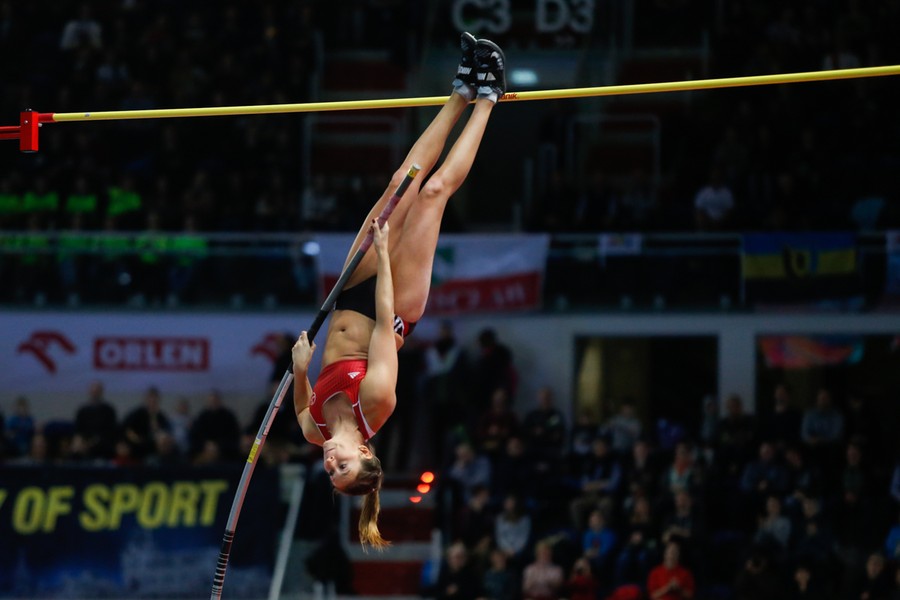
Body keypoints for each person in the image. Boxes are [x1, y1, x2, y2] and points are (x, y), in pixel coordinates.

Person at [290, 33, 507, 549]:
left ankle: (459, 89)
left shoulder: (313, 431)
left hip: (347, 295)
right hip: (392, 303)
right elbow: (386, 318)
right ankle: (489, 95)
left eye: (331, 472)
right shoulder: (375, 404)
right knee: (429, 195)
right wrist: (385, 256)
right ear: (366, 453)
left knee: (397, 187)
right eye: (343, 468)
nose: (330, 463)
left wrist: (301, 366)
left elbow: (300, 401)